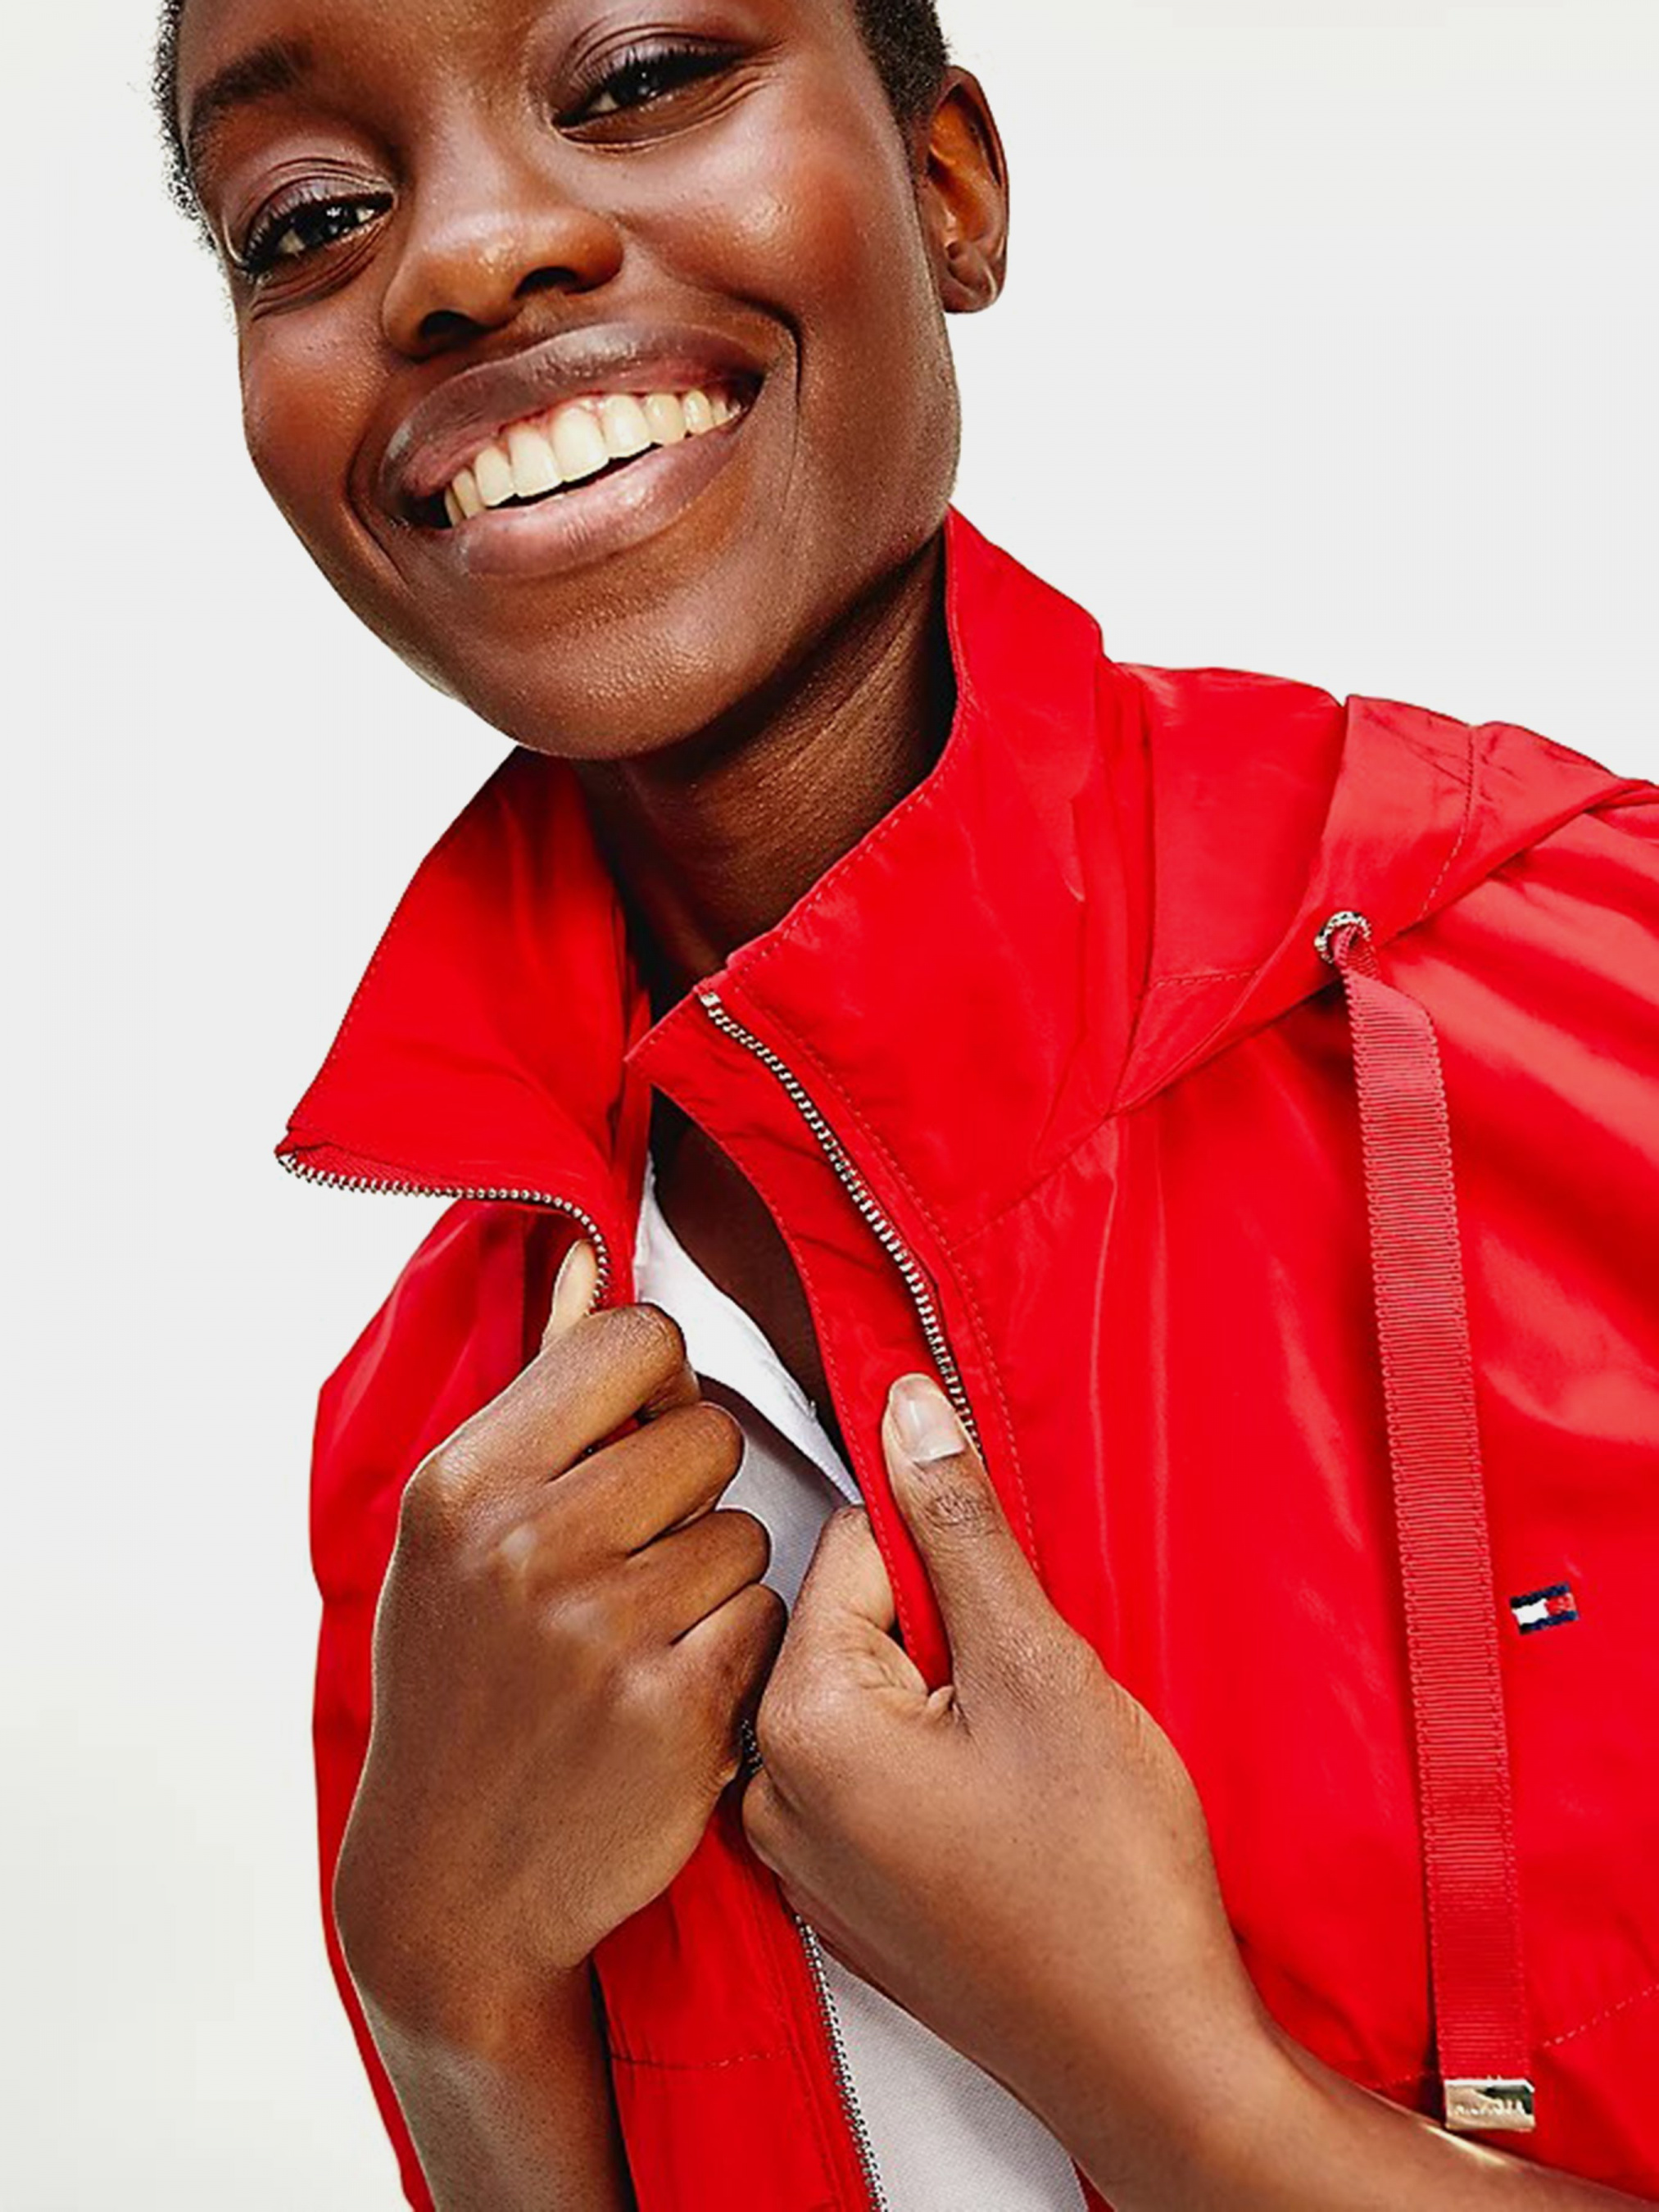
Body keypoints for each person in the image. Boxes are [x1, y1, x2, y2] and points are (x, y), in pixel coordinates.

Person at [156, 0, 1659, 2205]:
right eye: (305, 217)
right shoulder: (433, 1459)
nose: (466, 257)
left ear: (948, 187)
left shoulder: (1596, 994)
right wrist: (447, 2002)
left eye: (637, 79)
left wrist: (1178, 2090)